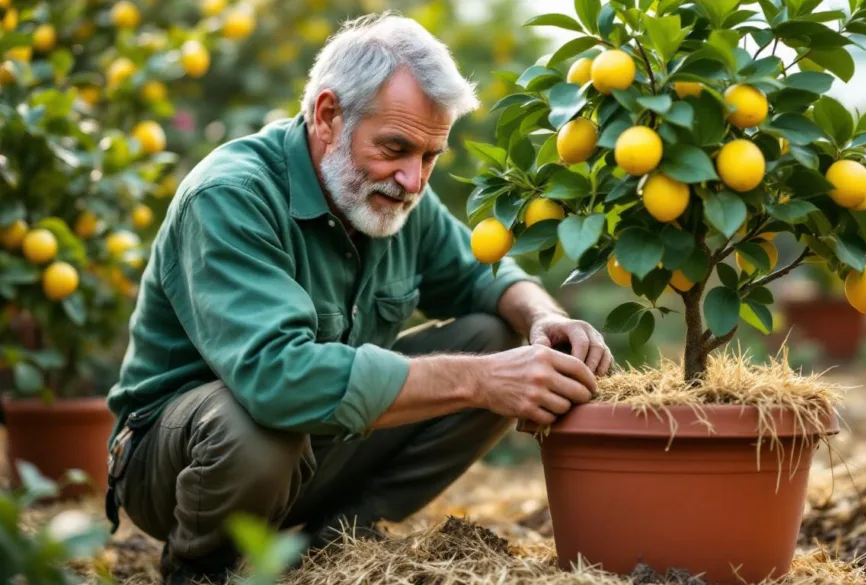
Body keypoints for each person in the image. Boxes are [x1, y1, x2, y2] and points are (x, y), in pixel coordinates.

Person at [104, 12, 612, 585]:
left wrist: (546, 316)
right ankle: (203, 567)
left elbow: (483, 276)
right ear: (327, 116)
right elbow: (279, 378)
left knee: (499, 333)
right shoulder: (231, 195)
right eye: (395, 147)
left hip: (317, 451)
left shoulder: (395, 199)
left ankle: (334, 547)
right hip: (179, 466)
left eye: (430, 156)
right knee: (258, 425)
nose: (413, 180)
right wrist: (480, 380)